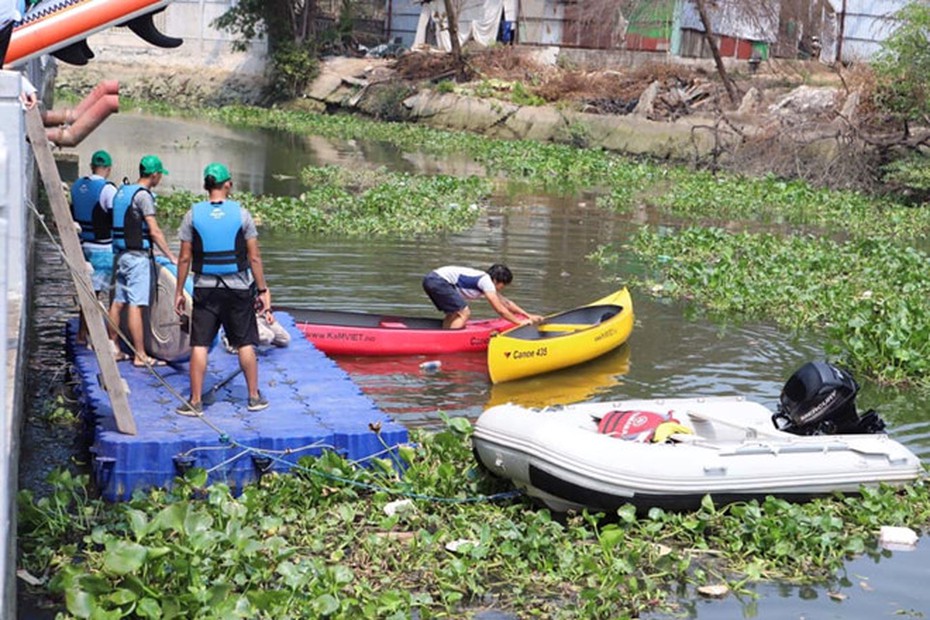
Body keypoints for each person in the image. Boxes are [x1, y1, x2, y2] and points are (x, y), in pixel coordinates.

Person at [173, 162, 271, 416]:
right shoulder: (242, 214)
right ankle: (253, 397)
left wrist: (178, 291)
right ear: (227, 184)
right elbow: (255, 257)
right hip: (238, 288)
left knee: (200, 343)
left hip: (205, 288)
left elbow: (184, 258)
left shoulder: (192, 215)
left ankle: (195, 401)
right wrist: (263, 290)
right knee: (245, 342)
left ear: (207, 186)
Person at [108, 155, 177, 366]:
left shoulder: (122, 191)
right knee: (136, 305)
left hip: (120, 254)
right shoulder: (143, 196)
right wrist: (170, 255)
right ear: (154, 175)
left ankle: (114, 348)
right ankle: (140, 355)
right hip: (137, 258)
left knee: (118, 302)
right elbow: (154, 231)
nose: (160, 180)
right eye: (160, 176)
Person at [71, 149, 117, 345]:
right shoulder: (108, 189)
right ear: (108, 168)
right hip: (103, 248)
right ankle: (110, 338)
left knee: (89, 293)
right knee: (115, 295)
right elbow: (116, 217)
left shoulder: (77, 185)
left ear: (91, 166)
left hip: (82, 246)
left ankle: (82, 334)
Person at [422, 264, 542, 329]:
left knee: (453, 313)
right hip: (438, 281)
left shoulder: (485, 281)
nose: (501, 288)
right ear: (496, 280)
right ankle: (450, 340)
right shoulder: (486, 281)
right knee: (465, 312)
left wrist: (528, 315)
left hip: (431, 279)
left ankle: (445, 334)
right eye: (502, 285)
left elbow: (506, 303)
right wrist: (519, 323)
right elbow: (500, 310)